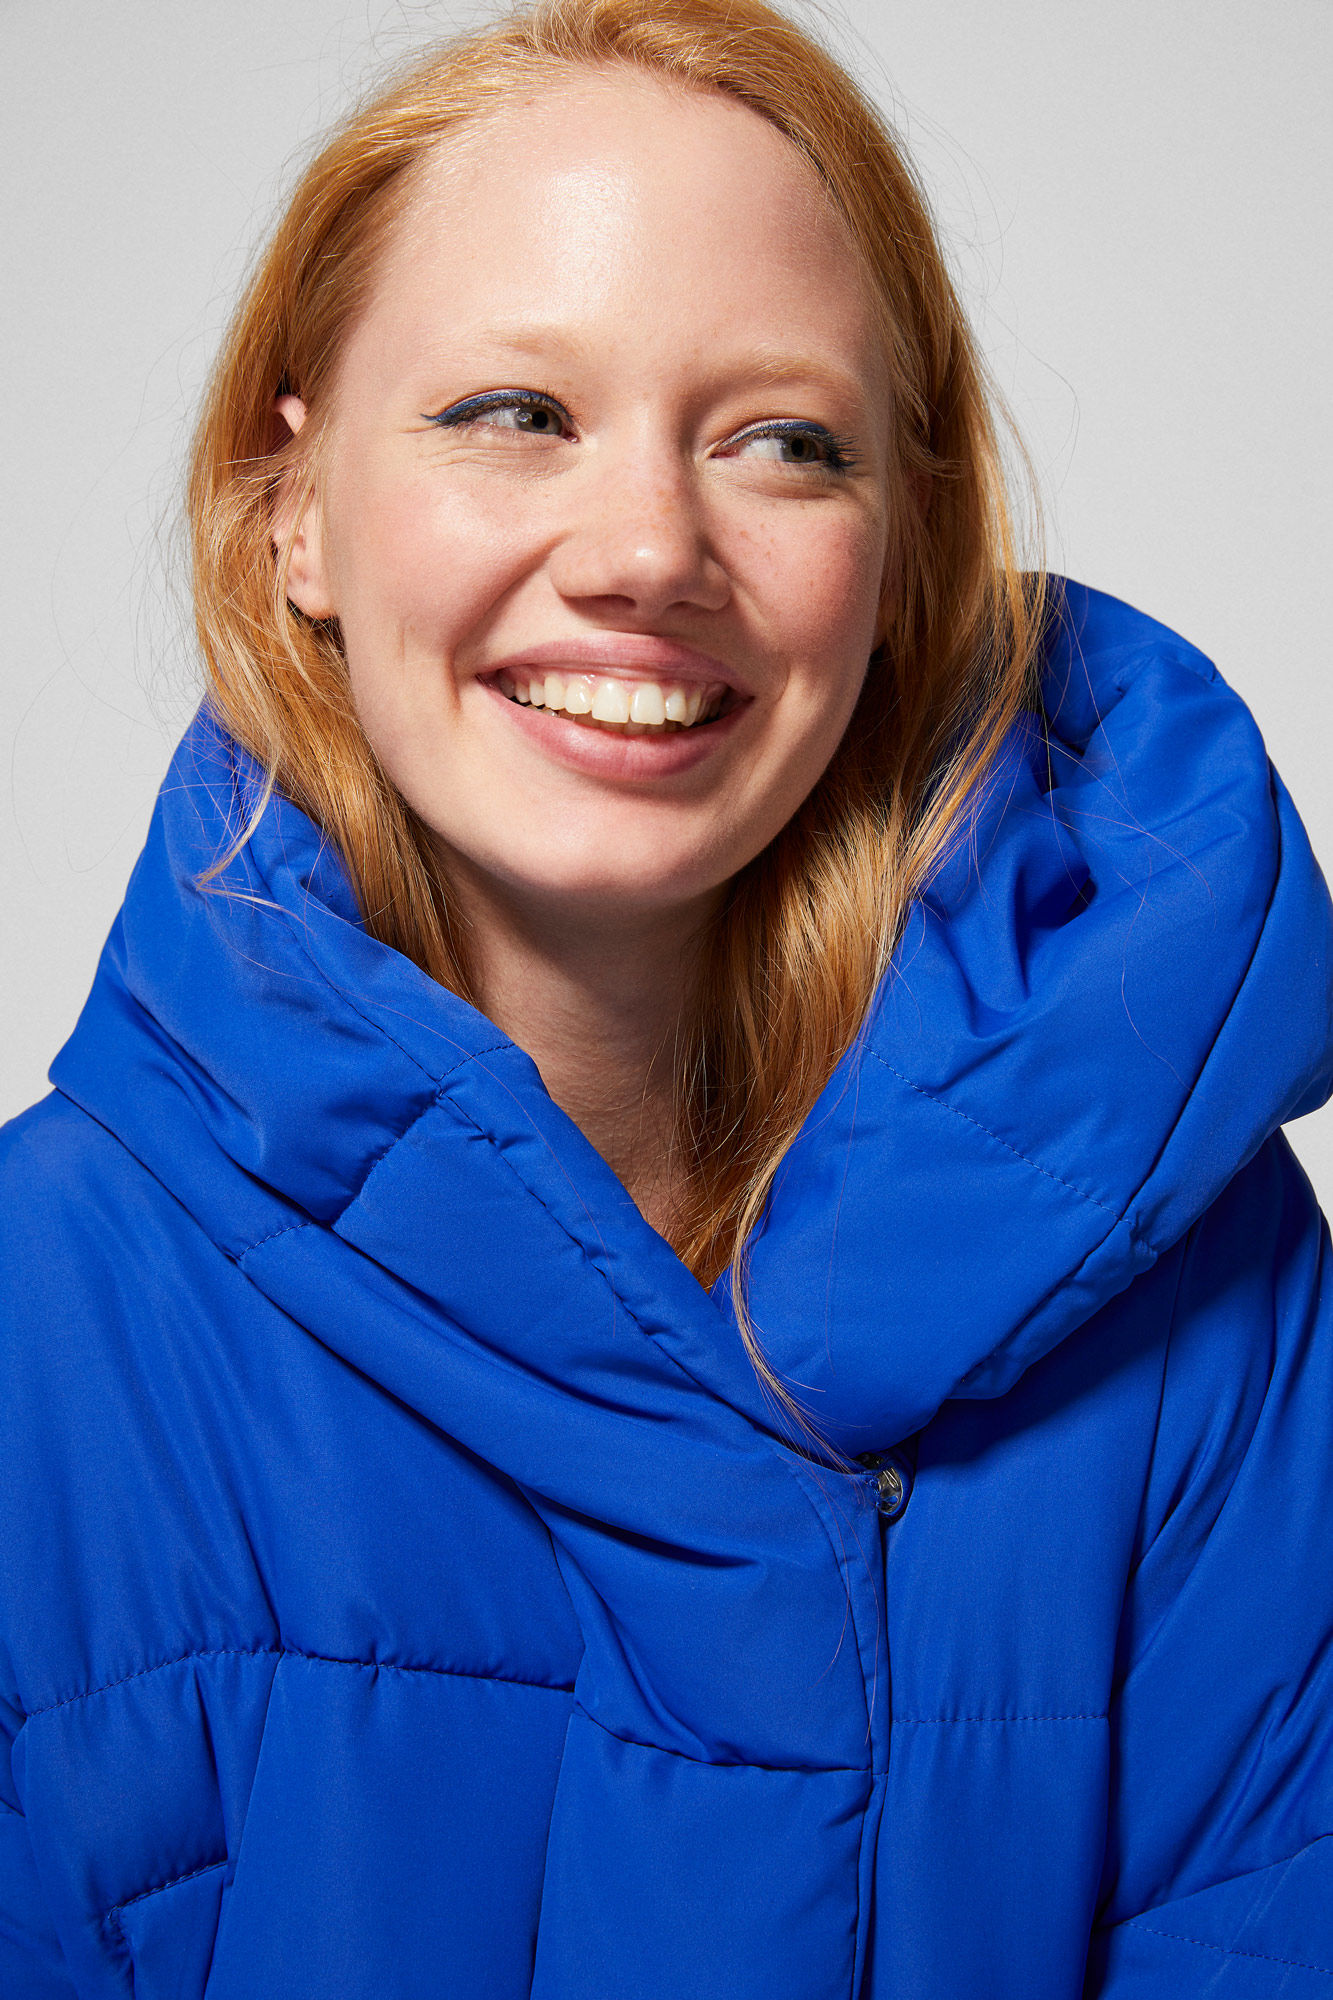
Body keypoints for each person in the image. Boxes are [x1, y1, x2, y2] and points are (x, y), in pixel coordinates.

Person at [2, 0, 1331, 1993]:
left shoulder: (1187, 1291)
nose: (643, 552)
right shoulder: (36, 1336)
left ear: (899, 558)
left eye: (782, 442)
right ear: (294, 509)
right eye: (510, 412)